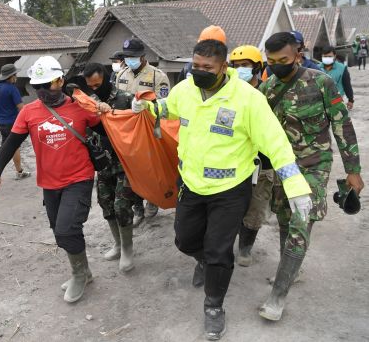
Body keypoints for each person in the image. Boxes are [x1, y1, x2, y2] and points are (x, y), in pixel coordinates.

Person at [131, 39, 312, 340]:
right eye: (196, 66)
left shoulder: (248, 99)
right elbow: (168, 109)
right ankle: (204, 261)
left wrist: (295, 184)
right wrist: (148, 107)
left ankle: (214, 306)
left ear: (223, 67)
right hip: (191, 183)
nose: (199, 71)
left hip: (230, 188)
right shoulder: (185, 90)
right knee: (184, 240)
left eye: (207, 68)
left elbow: (276, 143)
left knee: (218, 250)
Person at [258, 32, 364, 321]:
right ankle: (291, 270)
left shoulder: (321, 83)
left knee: (301, 220)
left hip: (315, 165)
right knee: (283, 218)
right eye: (271, 61)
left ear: (298, 54)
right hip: (283, 167)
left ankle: (278, 295)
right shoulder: (266, 89)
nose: (277, 65)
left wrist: (353, 170)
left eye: (283, 59)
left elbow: (343, 127)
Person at [0, 56, 107, 303]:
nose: (42, 91)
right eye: (37, 86)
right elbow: (11, 144)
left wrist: (106, 111)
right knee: (59, 232)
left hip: (79, 177)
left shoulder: (80, 107)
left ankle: (78, 275)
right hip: (49, 182)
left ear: (61, 80)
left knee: (67, 228)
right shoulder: (29, 112)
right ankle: (84, 272)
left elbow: (107, 131)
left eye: (47, 84)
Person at [74, 62, 139, 272]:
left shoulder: (125, 99)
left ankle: (128, 250)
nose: (94, 89)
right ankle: (118, 244)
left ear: (106, 79)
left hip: (125, 163)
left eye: (97, 85)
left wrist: (112, 114)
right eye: (90, 86)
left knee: (122, 206)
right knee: (106, 204)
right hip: (102, 162)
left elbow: (139, 126)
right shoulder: (87, 102)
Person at [116, 37, 171, 223]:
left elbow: (165, 107)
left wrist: (146, 105)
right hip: (128, 130)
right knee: (131, 168)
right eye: (127, 56)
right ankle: (137, 207)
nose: (130, 60)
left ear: (143, 56)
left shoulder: (157, 76)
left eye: (133, 56)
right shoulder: (121, 74)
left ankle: (153, 200)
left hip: (149, 130)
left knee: (150, 167)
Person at [229, 45, 274, 267]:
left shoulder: (269, 92)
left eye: (245, 66)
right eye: (236, 66)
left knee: (255, 208)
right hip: (234, 160)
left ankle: (245, 247)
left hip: (262, 162)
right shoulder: (228, 92)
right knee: (231, 207)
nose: (240, 70)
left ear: (257, 67)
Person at [0, 64, 30, 185]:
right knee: (5, 150)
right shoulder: (12, 89)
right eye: (15, 75)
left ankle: (19, 171)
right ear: (10, 77)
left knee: (13, 146)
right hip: (11, 123)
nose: (16, 77)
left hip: (0, 122)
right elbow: (21, 108)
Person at [319, 45, 355, 110]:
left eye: (329, 56)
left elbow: (347, 85)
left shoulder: (342, 68)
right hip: (320, 103)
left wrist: (350, 100)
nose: (327, 58)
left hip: (336, 102)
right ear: (322, 56)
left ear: (335, 56)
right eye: (325, 56)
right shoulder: (316, 68)